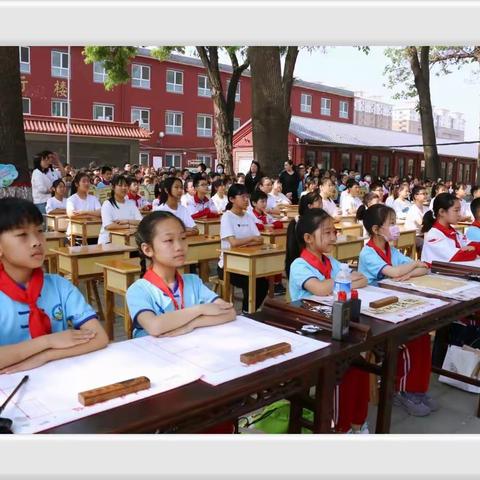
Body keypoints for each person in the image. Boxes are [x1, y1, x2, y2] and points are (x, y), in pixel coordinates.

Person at [0, 197, 108, 373]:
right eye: (22, 235)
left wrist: (45, 356)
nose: (36, 241)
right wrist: (48, 341)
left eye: (39, 231)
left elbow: (99, 338)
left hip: (58, 377)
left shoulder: (59, 286)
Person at [286, 208, 369, 433]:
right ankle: (339, 426)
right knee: (344, 366)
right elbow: (321, 288)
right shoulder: (299, 265)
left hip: (332, 323)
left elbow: (361, 278)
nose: (334, 237)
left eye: (334, 232)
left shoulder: (330, 261)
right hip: (310, 331)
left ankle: (357, 423)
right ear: (308, 239)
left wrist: (343, 280)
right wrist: (343, 281)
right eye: (327, 233)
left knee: (360, 365)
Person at [358, 204, 433, 416]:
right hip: (372, 313)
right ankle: (402, 390)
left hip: (393, 305)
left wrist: (406, 273)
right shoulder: (368, 253)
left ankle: (417, 389)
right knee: (410, 338)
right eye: (391, 223)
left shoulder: (390, 250)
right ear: (375, 229)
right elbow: (395, 270)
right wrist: (404, 270)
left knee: (423, 335)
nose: (395, 227)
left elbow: (424, 266)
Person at [218, 184, 268, 313]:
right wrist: (251, 239)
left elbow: (260, 239)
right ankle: (248, 312)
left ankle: (248, 311)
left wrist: (247, 242)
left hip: (247, 262)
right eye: (243, 196)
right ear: (232, 199)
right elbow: (233, 242)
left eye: (247, 196)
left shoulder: (248, 216)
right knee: (253, 282)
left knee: (263, 283)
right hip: (228, 266)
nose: (246, 200)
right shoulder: (227, 217)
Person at [421, 193, 480, 264]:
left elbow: (472, 244)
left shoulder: (455, 232)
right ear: (442, 212)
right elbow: (458, 256)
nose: (459, 214)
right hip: (435, 274)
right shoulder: (434, 235)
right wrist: (473, 249)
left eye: (459, 210)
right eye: (456, 210)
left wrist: (473, 248)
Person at [249, 190, 285, 295]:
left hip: (267, 240)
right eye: (262, 201)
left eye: (265, 201)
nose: (264, 204)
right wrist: (265, 226)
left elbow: (278, 224)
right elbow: (254, 226)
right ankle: (270, 282)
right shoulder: (250, 214)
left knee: (278, 253)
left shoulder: (265, 214)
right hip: (255, 243)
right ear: (254, 203)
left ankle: (276, 283)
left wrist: (270, 225)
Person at [98, 175, 143, 244]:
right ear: (113, 187)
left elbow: (141, 222)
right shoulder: (107, 204)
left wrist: (127, 221)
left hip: (129, 241)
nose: (124, 188)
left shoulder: (131, 203)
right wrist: (129, 226)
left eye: (125, 185)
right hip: (109, 241)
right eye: (120, 185)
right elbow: (108, 226)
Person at [31, 151, 64, 216]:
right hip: (42, 202)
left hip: (50, 200)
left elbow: (63, 174)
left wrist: (58, 161)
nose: (47, 162)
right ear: (39, 161)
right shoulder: (36, 172)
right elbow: (41, 189)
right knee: (45, 221)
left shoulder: (49, 171)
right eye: (45, 160)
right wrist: (54, 189)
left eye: (47, 159)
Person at [404, 186, 429, 253]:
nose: (426, 195)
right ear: (415, 196)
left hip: (423, 235)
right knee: (426, 244)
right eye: (423, 194)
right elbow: (423, 224)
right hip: (412, 237)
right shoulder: (413, 209)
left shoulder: (426, 208)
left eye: (426, 193)